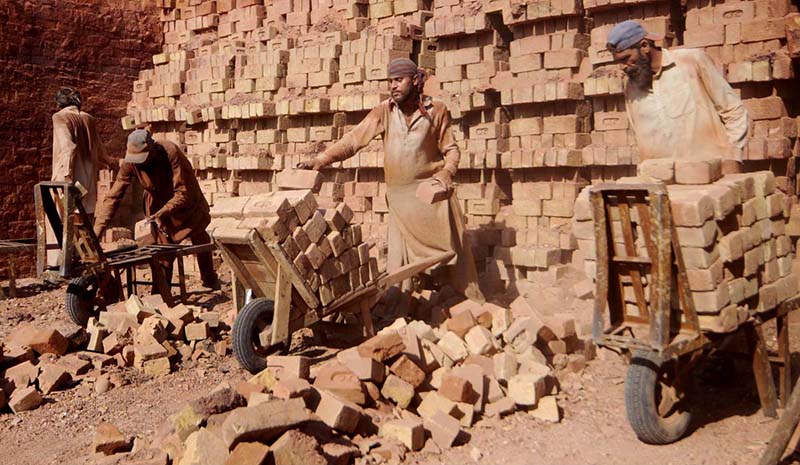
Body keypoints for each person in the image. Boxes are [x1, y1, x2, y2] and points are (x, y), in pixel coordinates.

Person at [298, 58, 484, 304]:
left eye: (399, 80)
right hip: (400, 202)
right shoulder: (384, 111)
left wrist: (447, 172)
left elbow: (451, 149)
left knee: (456, 258)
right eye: (390, 81)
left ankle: (469, 307)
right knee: (399, 268)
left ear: (415, 81)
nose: (393, 86)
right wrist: (322, 159)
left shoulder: (436, 110)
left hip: (431, 199)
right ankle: (400, 316)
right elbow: (354, 140)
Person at [606, 20, 750, 161]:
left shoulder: (691, 61)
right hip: (660, 179)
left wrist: (731, 156)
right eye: (618, 62)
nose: (623, 67)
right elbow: (638, 132)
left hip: (707, 175)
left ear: (644, 46)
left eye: (626, 58)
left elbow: (734, 110)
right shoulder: (631, 87)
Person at [93, 129, 219, 290]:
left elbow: (183, 192)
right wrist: (97, 231)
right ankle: (161, 291)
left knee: (199, 237)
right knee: (163, 252)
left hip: (186, 203)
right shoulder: (130, 161)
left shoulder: (170, 153)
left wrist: (163, 211)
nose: (139, 164)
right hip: (158, 204)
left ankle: (209, 280)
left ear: (152, 150)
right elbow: (113, 197)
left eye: (142, 159)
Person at [48, 87, 116, 271]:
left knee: (61, 219)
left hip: (69, 177)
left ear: (60, 103)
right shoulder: (88, 119)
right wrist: (113, 165)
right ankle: (84, 261)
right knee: (84, 220)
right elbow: (101, 151)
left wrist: (67, 177)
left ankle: (61, 264)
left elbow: (68, 147)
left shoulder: (60, 117)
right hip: (88, 179)